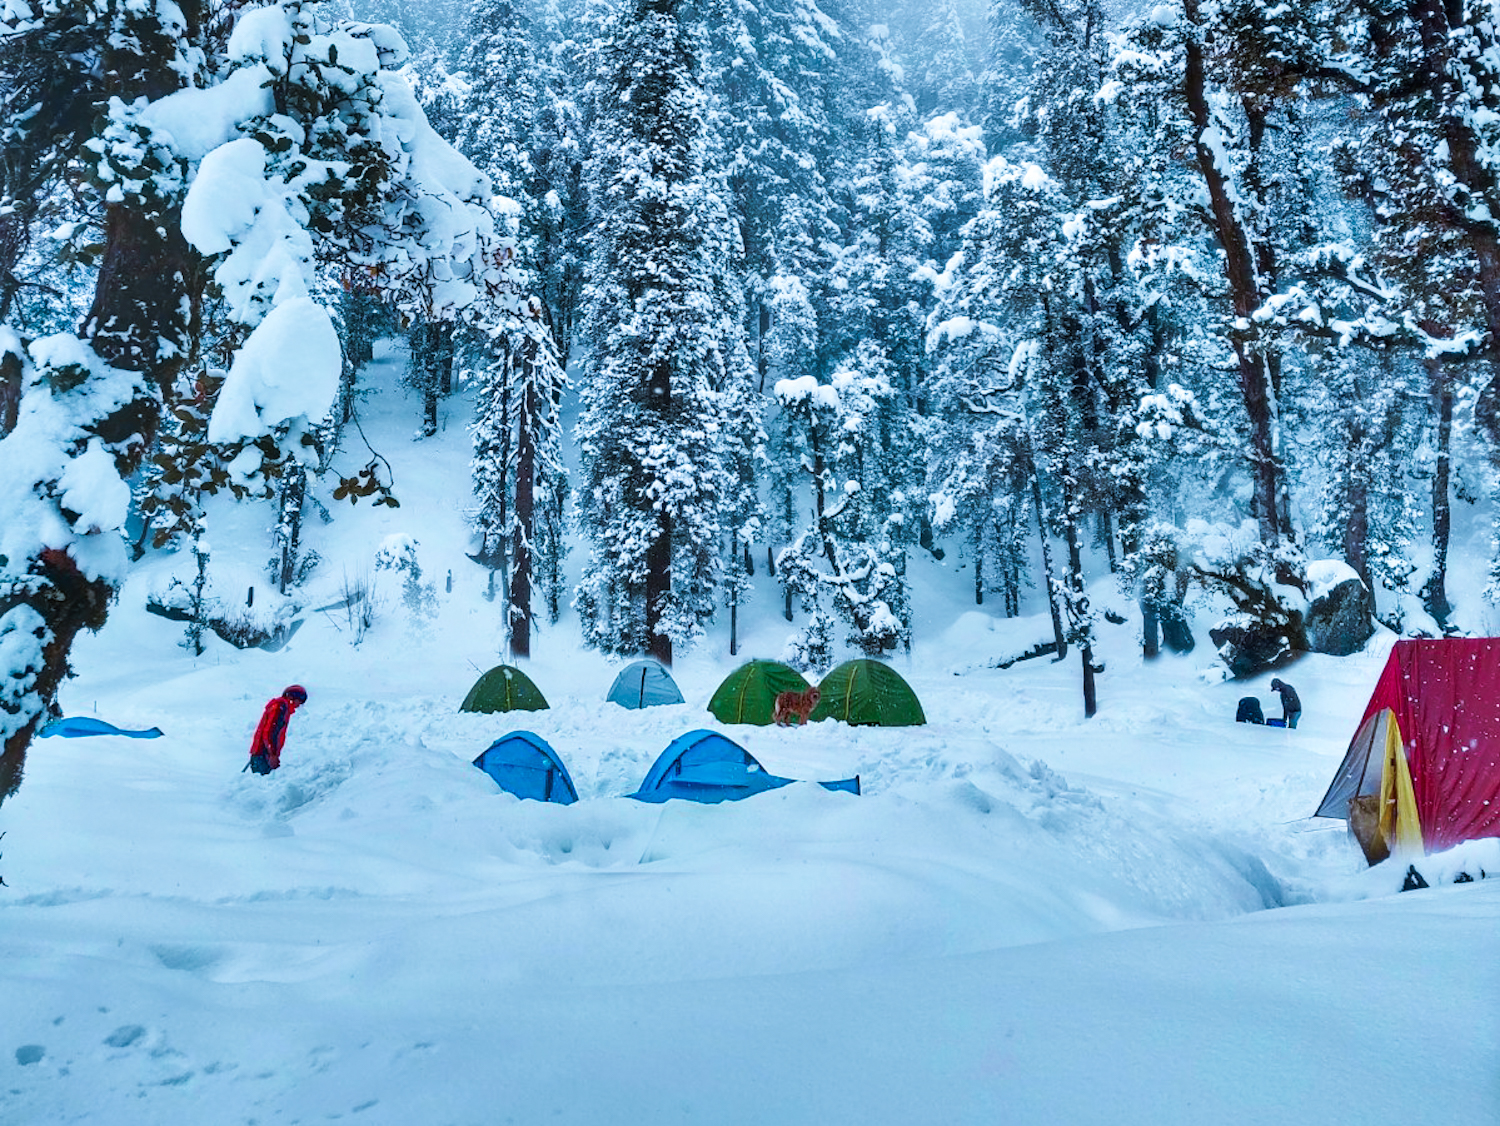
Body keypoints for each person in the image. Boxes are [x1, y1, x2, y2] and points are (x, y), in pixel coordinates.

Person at [247, 685, 307, 774]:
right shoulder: (281, 707)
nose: (299, 705)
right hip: (264, 754)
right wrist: (272, 755)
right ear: (291, 697)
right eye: (299, 701)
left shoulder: (280, 707)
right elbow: (270, 732)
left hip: (261, 753)